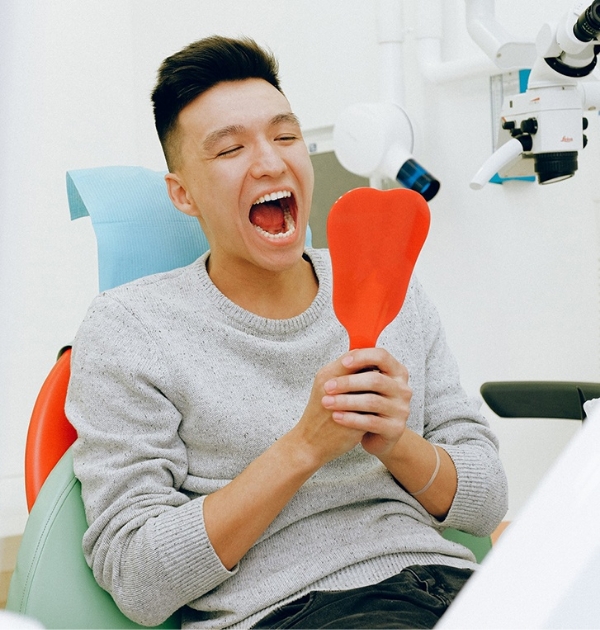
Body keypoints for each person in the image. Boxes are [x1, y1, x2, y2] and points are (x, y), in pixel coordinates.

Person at [66, 35, 508, 629]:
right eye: (230, 149)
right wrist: (304, 447)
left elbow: (486, 504)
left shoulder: (390, 287)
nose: (271, 162)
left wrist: (397, 443)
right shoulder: (131, 328)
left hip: (453, 588)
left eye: (285, 136)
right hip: (295, 612)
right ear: (183, 194)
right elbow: (138, 580)